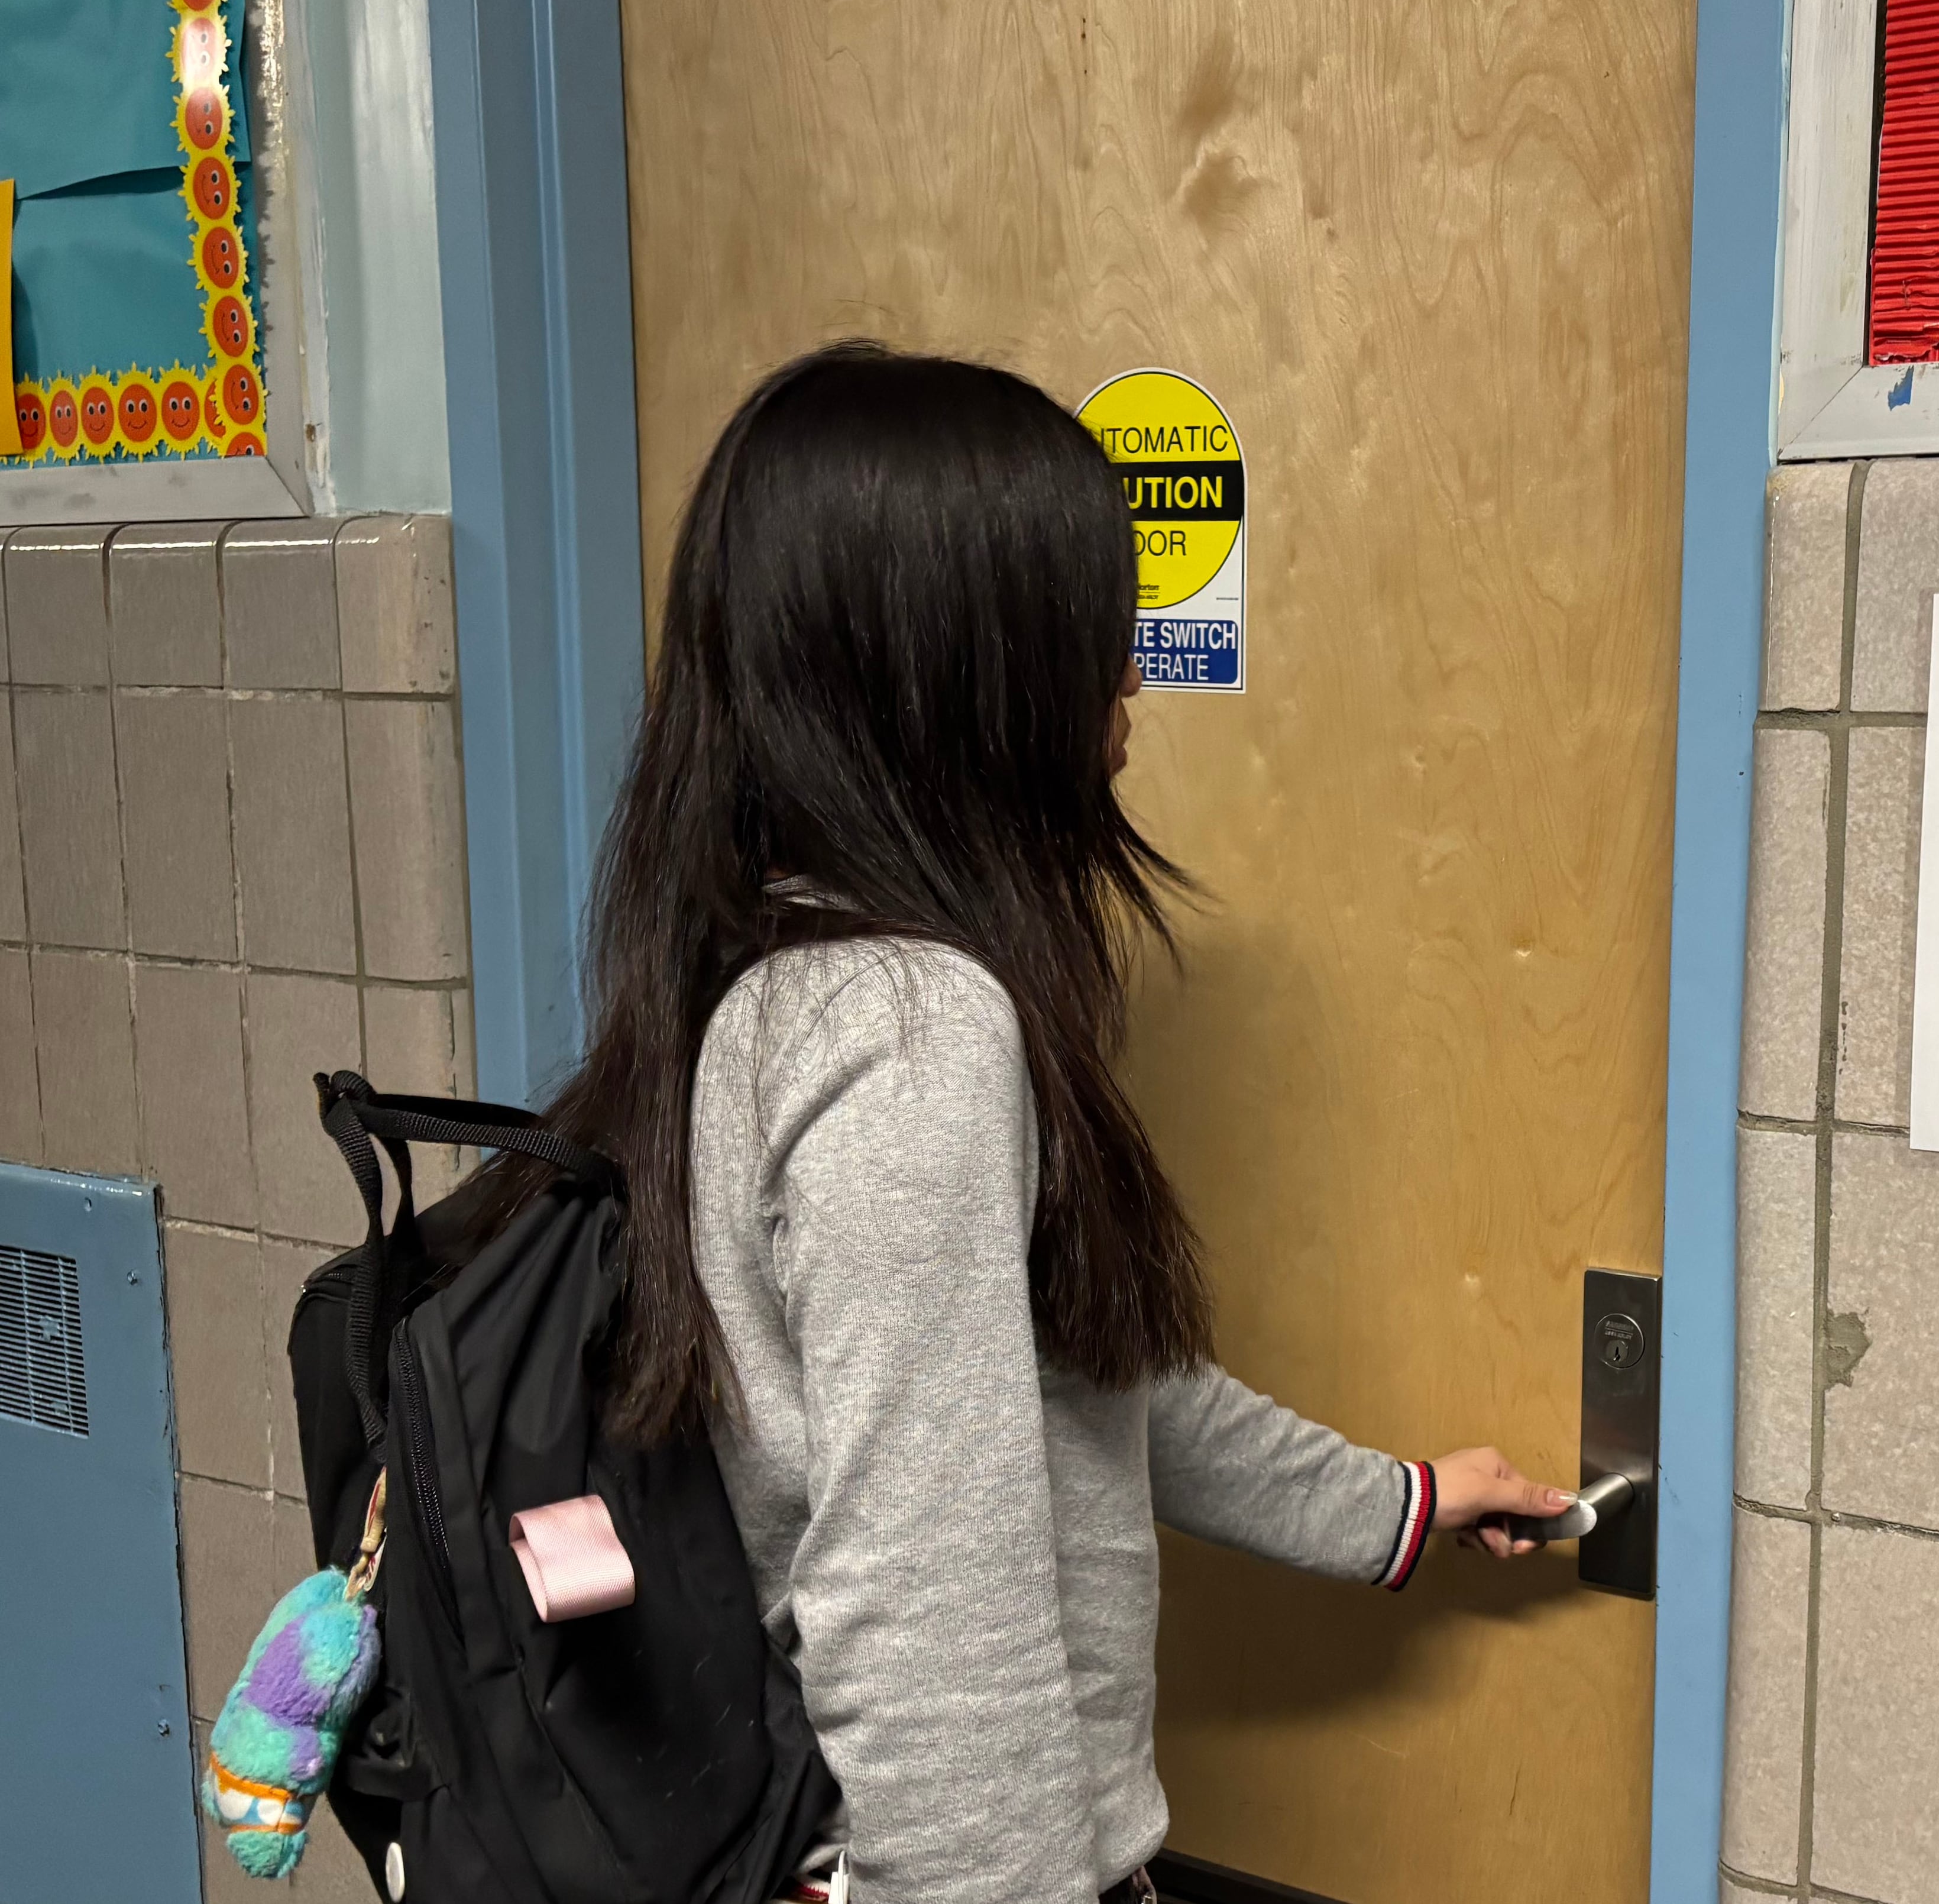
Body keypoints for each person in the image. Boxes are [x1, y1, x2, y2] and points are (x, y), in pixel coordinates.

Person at [490, 342, 1578, 1902]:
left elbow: (1081, 1380)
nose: (1131, 672)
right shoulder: (909, 1036)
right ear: (963, 670)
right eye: (1092, 623)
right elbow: (921, 1603)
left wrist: (1390, 1506)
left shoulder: (766, 978)